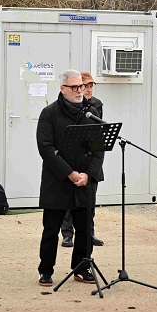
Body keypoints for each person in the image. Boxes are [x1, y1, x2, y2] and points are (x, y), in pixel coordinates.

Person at [36, 69, 104, 287]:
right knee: (51, 230)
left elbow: (99, 149)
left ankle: (81, 268)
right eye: (74, 87)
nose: (79, 91)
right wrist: (70, 173)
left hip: (85, 181)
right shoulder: (49, 113)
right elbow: (46, 148)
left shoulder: (91, 112)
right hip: (57, 182)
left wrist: (88, 174)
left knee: (85, 229)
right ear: (63, 89)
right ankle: (45, 270)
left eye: (81, 87)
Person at [61, 72, 105, 247]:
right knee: (69, 202)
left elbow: (99, 136)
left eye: (91, 86)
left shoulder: (96, 106)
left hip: (91, 161)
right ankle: (67, 234)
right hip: (73, 161)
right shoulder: (69, 107)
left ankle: (89, 233)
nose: (88, 89)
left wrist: (91, 170)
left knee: (89, 202)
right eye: (85, 86)